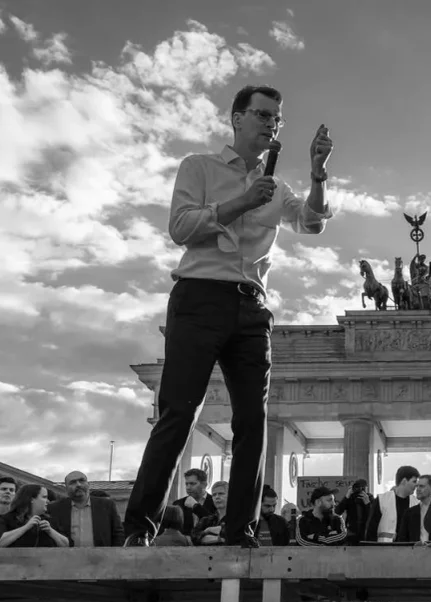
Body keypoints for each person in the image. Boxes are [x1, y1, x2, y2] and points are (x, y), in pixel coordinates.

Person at [121, 84, 333, 548]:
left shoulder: (277, 187)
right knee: (180, 411)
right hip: (199, 296)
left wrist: (318, 175)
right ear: (237, 118)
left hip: (251, 307)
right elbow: (181, 227)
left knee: (253, 419)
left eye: (277, 118)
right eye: (263, 114)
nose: (271, 123)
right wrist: (243, 202)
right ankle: (139, 527)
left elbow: (312, 221)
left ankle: (241, 530)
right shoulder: (199, 167)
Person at [48, 471, 125, 602]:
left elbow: (118, 533)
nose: (78, 485)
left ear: (88, 484)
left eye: (82, 481)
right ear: (66, 488)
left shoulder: (105, 506)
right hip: (68, 574)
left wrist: (114, 563)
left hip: (101, 573)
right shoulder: (55, 509)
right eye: (72, 482)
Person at [365, 466, 420, 543]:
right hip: (384, 547)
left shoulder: (416, 503)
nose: (416, 485)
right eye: (414, 481)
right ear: (404, 481)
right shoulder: (382, 500)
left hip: (409, 548)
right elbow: (371, 529)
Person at [396, 474, 431, 544]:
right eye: (417, 486)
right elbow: (402, 540)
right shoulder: (409, 513)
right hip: (414, 550)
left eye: (421, 486)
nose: (417, 489)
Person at [337, 479, 371, 545]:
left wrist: (367, 504)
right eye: (357, 487)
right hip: (352, 532)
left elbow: (372, 517)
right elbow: (338, 512)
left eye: (362, 488)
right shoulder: (351, 497)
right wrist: (347, 496)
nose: (359, 489)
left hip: (365, 532)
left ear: (366, 488)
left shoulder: (369, 498)